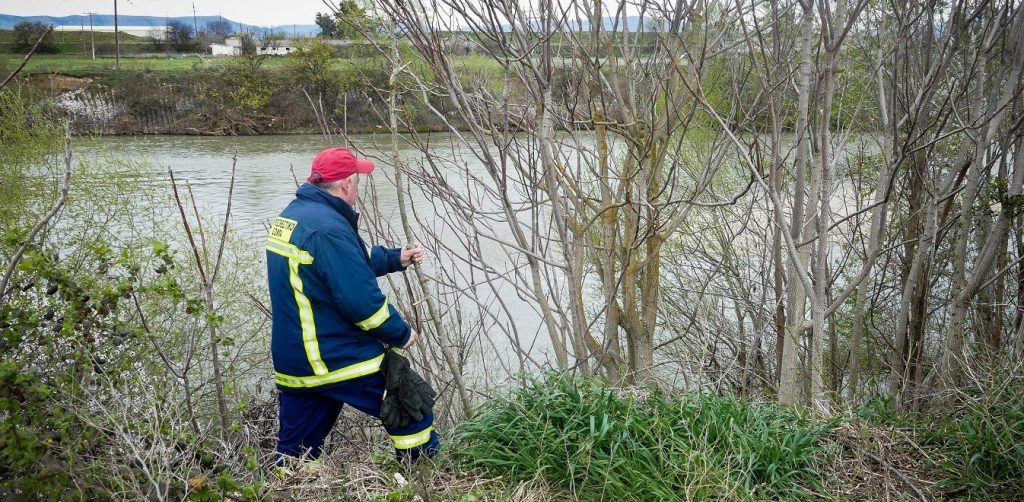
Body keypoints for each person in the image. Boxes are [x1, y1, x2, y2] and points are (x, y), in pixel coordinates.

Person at [265, 146, 438, 464]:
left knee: (296, 454)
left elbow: (332, 269)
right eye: (357, 181)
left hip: (296, 362)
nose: (358, 188)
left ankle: (283, 492)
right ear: (345, 184)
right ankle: (426, 480)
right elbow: (360, 301)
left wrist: (392, 258)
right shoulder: (329, 228)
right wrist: (400, 333)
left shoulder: (294, 216)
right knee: (410, 409)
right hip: (333, 356)